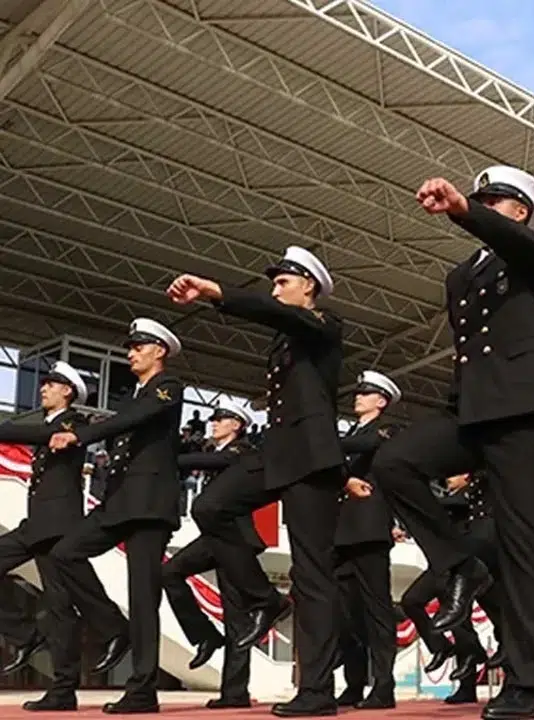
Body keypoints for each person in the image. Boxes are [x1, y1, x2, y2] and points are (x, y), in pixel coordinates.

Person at [371, 165, 534, 720]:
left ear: (520, 212)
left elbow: (516, 246)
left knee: (523, 549)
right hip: (470, 412)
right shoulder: (462, 276)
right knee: (395, 463)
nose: (482, 205)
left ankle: (529, 685)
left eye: (493, 201)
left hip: (524, 414)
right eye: (479, 199)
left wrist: (463, 211)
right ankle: (459, 564)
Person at [168, 246, 345, 717]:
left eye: (283, 281)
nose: (275, 288)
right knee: (209, 509)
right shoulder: (287, 339)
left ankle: (318, 691)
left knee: (312, 574)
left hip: (312, 456)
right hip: (276, 452)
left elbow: (274, 314)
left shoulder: (325, 325)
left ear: (308, 285)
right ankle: (265, 599)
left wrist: (217, 293)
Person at [46, 319, 186, 713]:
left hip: (149, 506)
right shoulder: (136, 396)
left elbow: (134, 419)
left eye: (139, 346)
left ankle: (142, 690)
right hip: (119, 503)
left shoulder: (168, 387)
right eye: (131, 346)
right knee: (65, 553)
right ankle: (112, 626)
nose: (130, 352)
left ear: (159, 350)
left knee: (143, 598)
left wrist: (81, 435)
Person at [0, 362, 128, 712]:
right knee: (58, 608)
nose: (43, 389)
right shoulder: (49, 426)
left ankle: (63, 688)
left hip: (59, 525)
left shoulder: (74, 423)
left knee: (60, 607)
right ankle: (26, 635)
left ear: (68, 391)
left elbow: (44, 437)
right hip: (36, 525)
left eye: (51, 384)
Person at [161, 399, 262, 709]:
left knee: (237, 616)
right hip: (217, 537)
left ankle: (235, 692)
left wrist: (171, 458)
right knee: (170, 572)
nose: (214, 423)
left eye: (222, 419)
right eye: (214, 418)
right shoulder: (216, 453)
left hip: (237, 539)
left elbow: (217, 465)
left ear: (238, 425)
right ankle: (205, 635)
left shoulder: (242, 451)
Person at [333, 370, 403, 710]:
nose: (357, 397)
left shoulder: (386, 430)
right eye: (358, 392)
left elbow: (368, 446)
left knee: (376, 610)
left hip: (370, 528)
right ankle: (354, 682)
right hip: (343, 531)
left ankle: (384, 685)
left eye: (366, 393)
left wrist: (324, 445)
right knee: (345, 614)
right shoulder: (349, 434)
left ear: (382, 401)